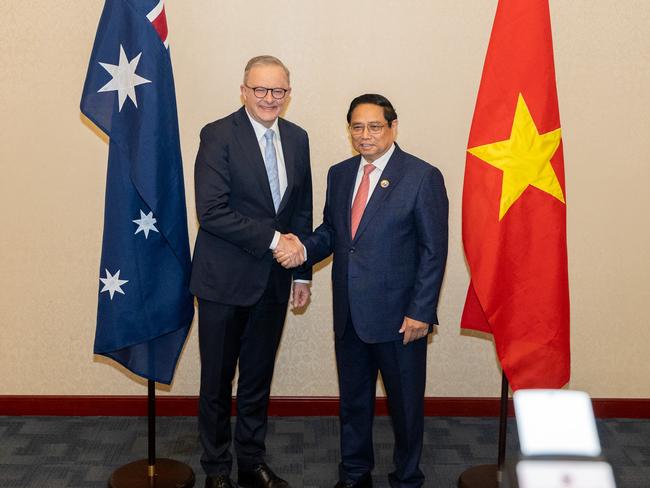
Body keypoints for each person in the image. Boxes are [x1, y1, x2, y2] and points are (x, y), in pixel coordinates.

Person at [276, 94, 448, 488]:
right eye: (357, 126)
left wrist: (422, 311)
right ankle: (354, 475)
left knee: (405, 408)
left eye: (374, 126)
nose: (365, 135)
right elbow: (334, 234)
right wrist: (302, 250)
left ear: (392, 127)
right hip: (350, 314)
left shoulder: (422, 176)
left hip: (401, 318)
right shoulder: (340, 174)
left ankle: (407, 478)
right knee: (353, 404)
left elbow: (433, 251)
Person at [191, 55, 311, 488]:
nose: (269, 98)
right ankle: (217, 469)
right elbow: (212, 212)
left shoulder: (297, 138)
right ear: (243, 90)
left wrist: (302, 273)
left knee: (258, 381)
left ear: (288, 93)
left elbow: (300, 209)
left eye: (278, 90)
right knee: (217, 384)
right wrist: (276, 241)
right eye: (260, 89)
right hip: (223, 282)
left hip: (275, 283)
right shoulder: (218, 135)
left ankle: (251, 462)